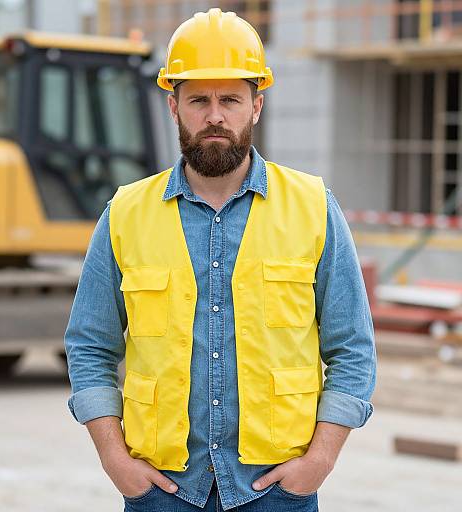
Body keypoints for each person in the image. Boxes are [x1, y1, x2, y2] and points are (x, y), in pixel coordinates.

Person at [64, 8, 377, 512]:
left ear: (256, 106)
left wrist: (318, 462)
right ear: (173, 107)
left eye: (230, 99)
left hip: (275, 490)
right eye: (199, 100)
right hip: (160, 490)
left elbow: (353, 348)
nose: (215, 116)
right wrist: (114, 460)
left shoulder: (313, 206)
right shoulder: (125, 213)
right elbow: (88, 346)